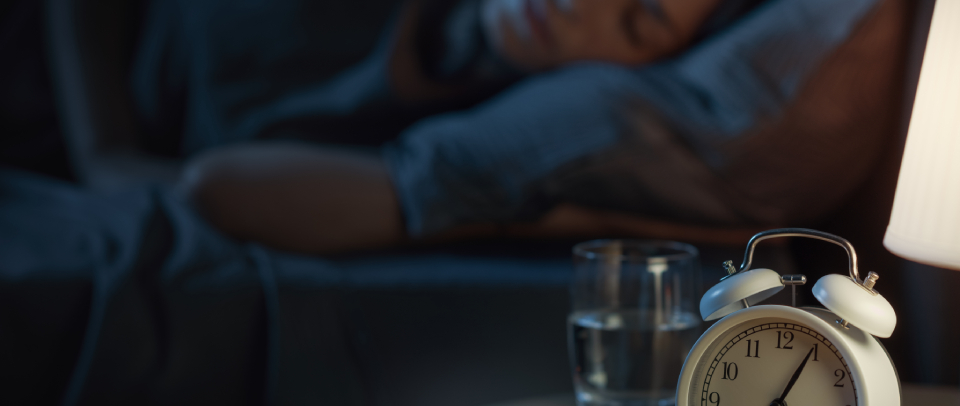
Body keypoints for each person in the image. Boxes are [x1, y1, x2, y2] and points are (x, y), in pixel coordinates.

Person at [179, 0, 886, 253]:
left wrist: (569, 213)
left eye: (638, 21)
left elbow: (218, 187)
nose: (583, 5)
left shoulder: (493, 122)